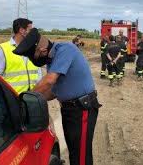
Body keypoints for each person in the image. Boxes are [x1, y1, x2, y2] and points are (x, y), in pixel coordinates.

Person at [13, 28, 102, 165]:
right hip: (70, 111)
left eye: (35, 57)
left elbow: (49, 81)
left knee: (81, 157)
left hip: (82, 110)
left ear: (42, 50)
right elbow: (52, 92)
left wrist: (25, 99)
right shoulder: (52, 62)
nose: (36, 61)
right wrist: (35, 101)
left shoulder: (66, 49)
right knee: (74, 151)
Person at [0, 18, 42, 94]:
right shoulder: (4, 48)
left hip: (32, 97)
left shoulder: (34, 48)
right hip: (13, 98)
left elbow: (38, 74)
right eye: (30, 30)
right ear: (22, 30)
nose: (32, 34)